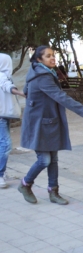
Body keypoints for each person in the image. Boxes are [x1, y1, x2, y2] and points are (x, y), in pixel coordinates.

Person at [17, 46, 83, 205]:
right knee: (44, 160)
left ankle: (53, 192)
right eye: (48, 56)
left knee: (53, 159)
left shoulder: (39, 71)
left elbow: (27, 91)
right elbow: (60, 96)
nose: (52, 58)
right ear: (39, 59)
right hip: (39, 124)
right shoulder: (43, 76)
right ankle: (25, 184)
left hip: (47, 121)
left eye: (53, 55)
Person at [0, 53, 26, 189]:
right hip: (1, 117)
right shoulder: (2, 76)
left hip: (3, 115)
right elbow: (6, 86)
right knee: (5, 145)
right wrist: (21, 93)